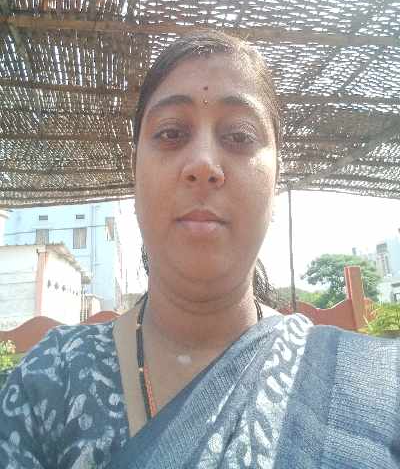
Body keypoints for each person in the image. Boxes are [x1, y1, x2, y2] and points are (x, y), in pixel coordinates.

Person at [0, 31, 399, 469]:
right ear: (135, 171)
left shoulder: (375, 387)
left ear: (276, 180)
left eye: (240, 136)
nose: (204, 164)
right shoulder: (49, 383)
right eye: (171, 133)